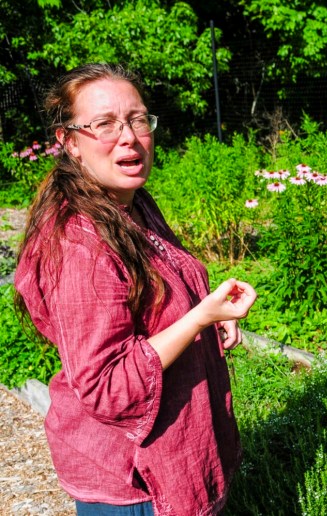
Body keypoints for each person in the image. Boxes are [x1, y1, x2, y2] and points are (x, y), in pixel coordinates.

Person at [14, 63, 257, 515]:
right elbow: (107, 387)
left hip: (164, 457)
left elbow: (155, 308)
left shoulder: (130, 203)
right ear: (70, 142)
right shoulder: (79, 244)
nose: (128, 136)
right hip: (135, 482)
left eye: (138, 119)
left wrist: (207, 323)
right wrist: (197, 319)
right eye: (104, 124)